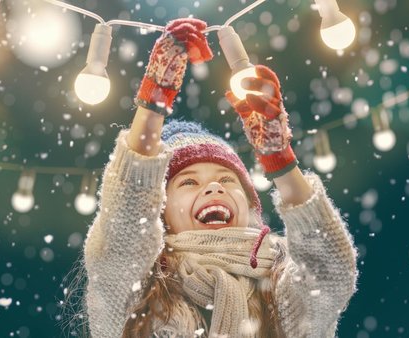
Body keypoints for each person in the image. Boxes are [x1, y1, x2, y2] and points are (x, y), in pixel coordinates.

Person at [76, 18, 358, 337]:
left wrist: (280, 158)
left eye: (227, 180)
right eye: (188, 182)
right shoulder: (137, 293)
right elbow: (125, 226)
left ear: (250, 204)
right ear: (160, 211)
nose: (213, 187)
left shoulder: (283, 293)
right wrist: (152, 103)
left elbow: (329, 268)